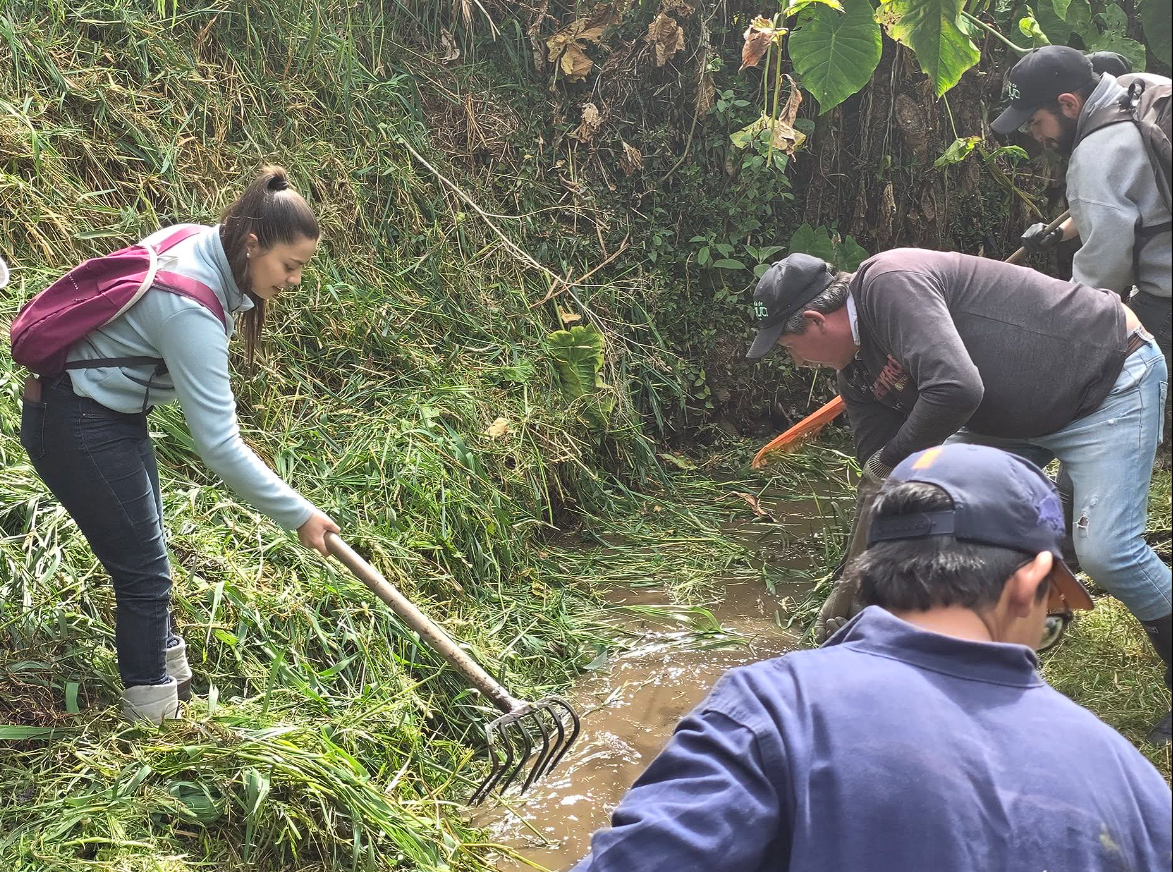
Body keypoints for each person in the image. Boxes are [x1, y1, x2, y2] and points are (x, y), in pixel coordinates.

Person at [570, 444, 1172, 872]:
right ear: (1029, 583)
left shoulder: (772, 710)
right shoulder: (1134, 787)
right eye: (1055, 606)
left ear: (867, 574)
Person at [745, 249, 1171, 742]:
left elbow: (956, 388)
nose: (797, 361)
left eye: (789, 346)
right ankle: (990, 638)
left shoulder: (889, 282)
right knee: (935, 513)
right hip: (1009, 416)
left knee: (1109, 553)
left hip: (1105, 379)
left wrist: (887, 466)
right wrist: (854, 587)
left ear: (816, 321)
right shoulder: (856, 375)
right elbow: (887, 477)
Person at [18, 166, 339, 725]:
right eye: (290, 266)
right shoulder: (190, 309)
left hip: (104, 414)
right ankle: (152, 718)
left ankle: (172, 682)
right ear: (252, 243)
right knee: (144, 572)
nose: (293, 281)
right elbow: (220, 446)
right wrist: (300, 514)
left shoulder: (202, 241)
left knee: (149, 554)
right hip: (76, 424)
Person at [992, 46, 1171, 455]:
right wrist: (1058, 234)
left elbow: (1103, 273)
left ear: (1069, 104)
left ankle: (1084, 482)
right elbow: (1133, 196)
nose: (1036, 136)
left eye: (1036, 122)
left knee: (1108, 405)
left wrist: (1057, 332)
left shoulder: (1095, 154)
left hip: (1166, 297)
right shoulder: (1140, 91)